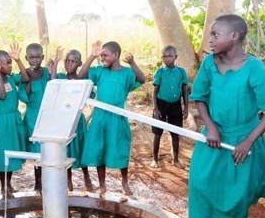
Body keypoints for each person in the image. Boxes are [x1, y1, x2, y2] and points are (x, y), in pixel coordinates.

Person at [179, 14, 265, 218]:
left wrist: (249, 140)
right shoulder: (209, 64)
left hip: (242, 139)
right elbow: (200, 97)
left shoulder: (253, 67)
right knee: (201, 180)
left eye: (216, 34)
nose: (210, 39)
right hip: (214, 136)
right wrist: (210, 127)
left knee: (238, 190)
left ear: (234, 37)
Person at [80, 40, 146, 198]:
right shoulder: (100, 71)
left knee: (120, 147)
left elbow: (142, 79)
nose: (102, 58)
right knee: (99, 149)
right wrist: (92, 56)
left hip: (117, 116)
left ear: (115, 55)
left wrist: (133, 62)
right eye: (101, 55)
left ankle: (124, 182)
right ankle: (102, 185)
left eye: (105, 55)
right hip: (100, 116)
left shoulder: (127, 73)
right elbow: (81, 75)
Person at [49, 47, 94, 192]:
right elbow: (53, 83)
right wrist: (55, 62)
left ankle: (86, 174)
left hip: (77, 120)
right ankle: (68, 180)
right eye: (67, 61)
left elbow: (88, 95)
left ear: (79, 64)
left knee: (80, 147)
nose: (69, 64)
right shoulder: (61, 78)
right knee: (65, 151)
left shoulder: (83, 80)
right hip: (64, 120)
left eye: (73, 61)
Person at [0, 46, 30, 198]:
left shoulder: (13, 79)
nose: (9, 66)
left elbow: (26, 78)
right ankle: (3, 187)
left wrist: (18, 60)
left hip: (14, 119)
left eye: (10, 63)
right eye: (6, 63)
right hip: (1, 121)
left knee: (12, 153)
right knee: (3, 153)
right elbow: (0, 97)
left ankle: (9, 183)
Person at [151, 46, 189, 169]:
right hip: (161, 105)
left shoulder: (181, 72)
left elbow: (184, 91)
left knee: (175, 133)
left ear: (176, 57)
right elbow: (155, 90)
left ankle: (175, 159)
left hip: (175, 105)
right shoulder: (160, 72)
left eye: (170, 56)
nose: (167, 59)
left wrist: (186, 107)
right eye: (164, 56)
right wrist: (155, 108)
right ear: (162, 58)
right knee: (157, 133)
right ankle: (155, 159)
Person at [23, 43, 50, 193]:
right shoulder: (24, 74)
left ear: (42, 57)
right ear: (26, 58)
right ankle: (38, 181)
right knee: (36, 151)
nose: (34, 60)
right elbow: (24, 97)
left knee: (48, 148)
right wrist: (29, 79)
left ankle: (49, 179)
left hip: (47, 115)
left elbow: (54, 86)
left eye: (37, 57)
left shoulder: (47, 72)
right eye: (31, 57)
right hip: (33, 117)